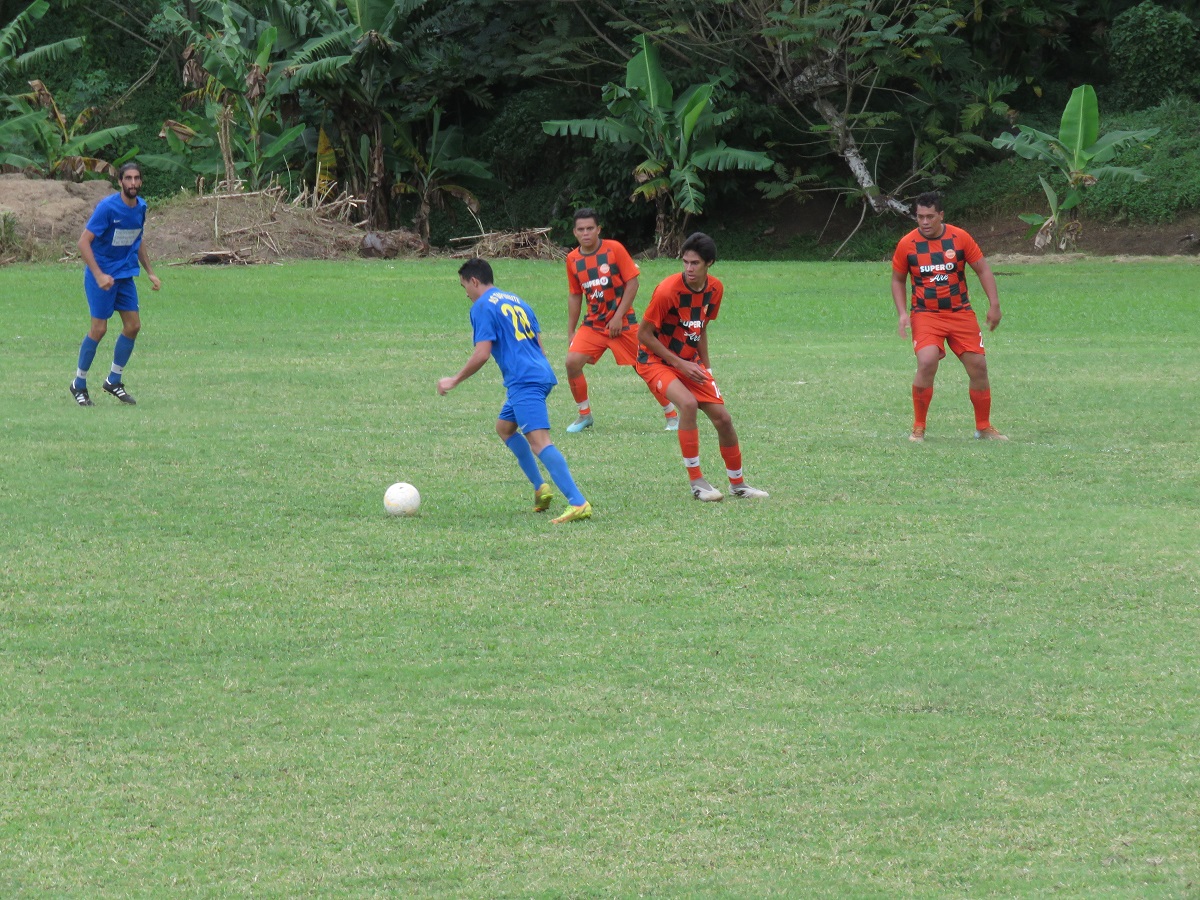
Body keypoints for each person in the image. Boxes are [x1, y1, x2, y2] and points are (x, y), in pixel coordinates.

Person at [437, 258, 592, 524]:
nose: (466, 294)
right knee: (505, 428)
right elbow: (539, 345)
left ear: (474, 281)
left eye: (465, 287)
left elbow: (482, 353)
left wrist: (455, 379)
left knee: (539, 441)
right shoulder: (516, 300)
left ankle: (578, 502)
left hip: (524, 380)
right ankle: (540, 488)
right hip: (539, 373)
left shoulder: (482, 307)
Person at [636, 232, 769, 502]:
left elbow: (701, 328)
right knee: (686, 404)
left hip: (689, 362)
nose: (688, 268)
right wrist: (679, 363)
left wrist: (705, 368)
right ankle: (697, 483)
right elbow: (644, 335)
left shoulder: (715, 289)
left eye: (695, 263)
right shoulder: (667, 291)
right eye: (685, 262)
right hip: (655, 359)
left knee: (724, 419)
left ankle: (738, 484)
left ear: (710, 263)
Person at [891, 190, 1007, 442]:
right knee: (927, 360)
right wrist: (902, 313)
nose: (924, 222)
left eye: (930, 216)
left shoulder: (960, 238)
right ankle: (918, 427)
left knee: (978, 367)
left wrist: (994, 304)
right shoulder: (907, 244)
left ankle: (984, 427)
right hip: (925, 314)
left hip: (960, 313)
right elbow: (898, 280)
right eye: (920, 216)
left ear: (941, 215)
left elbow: (983, 270)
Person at [563, 207, 679, 432]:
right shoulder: (572, 259)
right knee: (571, 363)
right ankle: (584, 415)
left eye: (590, 228)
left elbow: (633, 283)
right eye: (581, 229)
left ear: (598, 229)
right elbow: (575, 295)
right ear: (575, 232)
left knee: (646, 367)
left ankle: (672, 415)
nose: (586, 233)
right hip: (593, 326)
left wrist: (617, 317)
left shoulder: (614, 249)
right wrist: (571, 330)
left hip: (623, 325)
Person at [69, 161, 161, 406]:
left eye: (136, 178)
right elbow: (83, 243)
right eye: (128, 178)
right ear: (120, 182)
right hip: (101, 278)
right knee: (99, 330)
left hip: (124, 276)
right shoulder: (107, 208)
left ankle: (113, 380)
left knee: (133, 326)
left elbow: (138, 239)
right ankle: (78, 383)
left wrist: (150, 272)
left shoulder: (141, 207)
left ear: (140, 182)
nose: (133, 183)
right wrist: (99, 275)